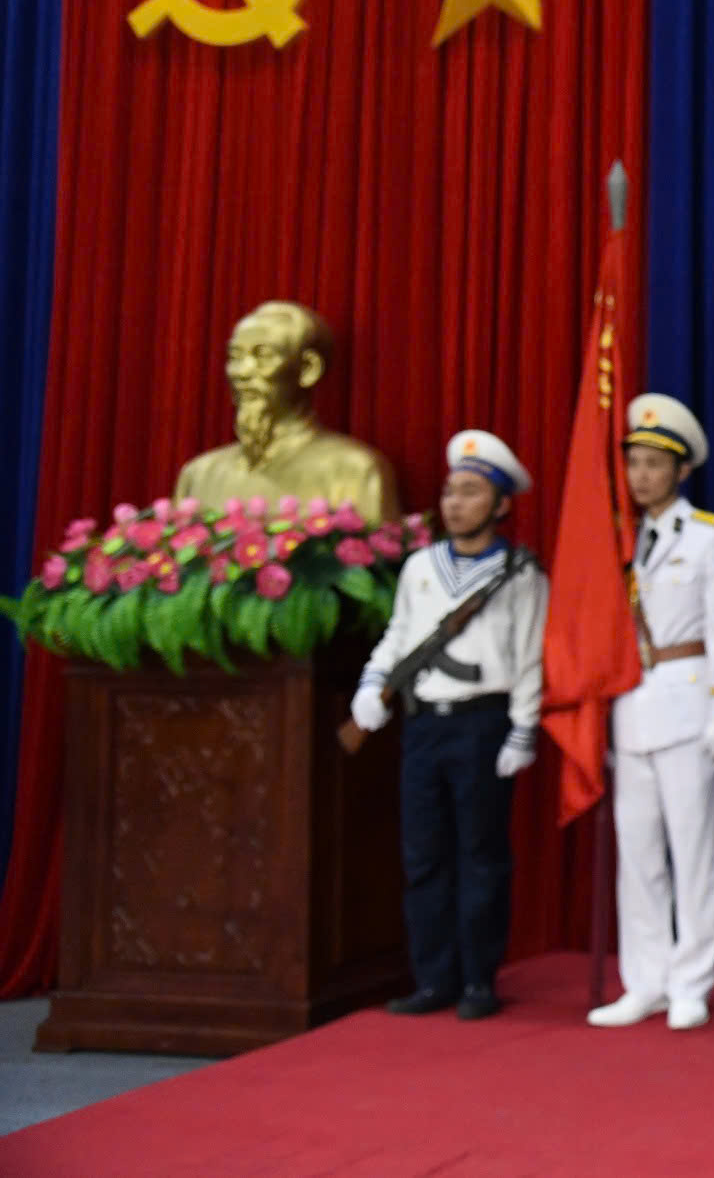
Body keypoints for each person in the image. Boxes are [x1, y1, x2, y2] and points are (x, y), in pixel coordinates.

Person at [354, 430, 550, 1020]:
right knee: (424, 856)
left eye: (470, 492)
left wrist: (523, 728)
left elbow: (530, 656)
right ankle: (433, 978)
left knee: (480, 854)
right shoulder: (421, 566)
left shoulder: (519, 574)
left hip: (482, 724)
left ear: (501, 504)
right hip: (424, 726)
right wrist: (372, 685)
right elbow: (399, 636)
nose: (455, 504)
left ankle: (478, 980)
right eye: (450, 492)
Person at [588, 394, 714, 1032]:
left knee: (696, 852)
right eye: (634, 463)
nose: (642, 475)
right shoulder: (619, 536)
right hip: (632, 707)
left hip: (690, 704)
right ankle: (645, 980)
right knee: (639, 855)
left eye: (654, 464)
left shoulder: (713, 535)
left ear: (682, 471)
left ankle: (691, 981)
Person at [174, 300, 399, 519]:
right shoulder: (199, 475)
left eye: (263, 356)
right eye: (235, 356)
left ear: (308, 369)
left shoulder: (354, 471)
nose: (240, 372)